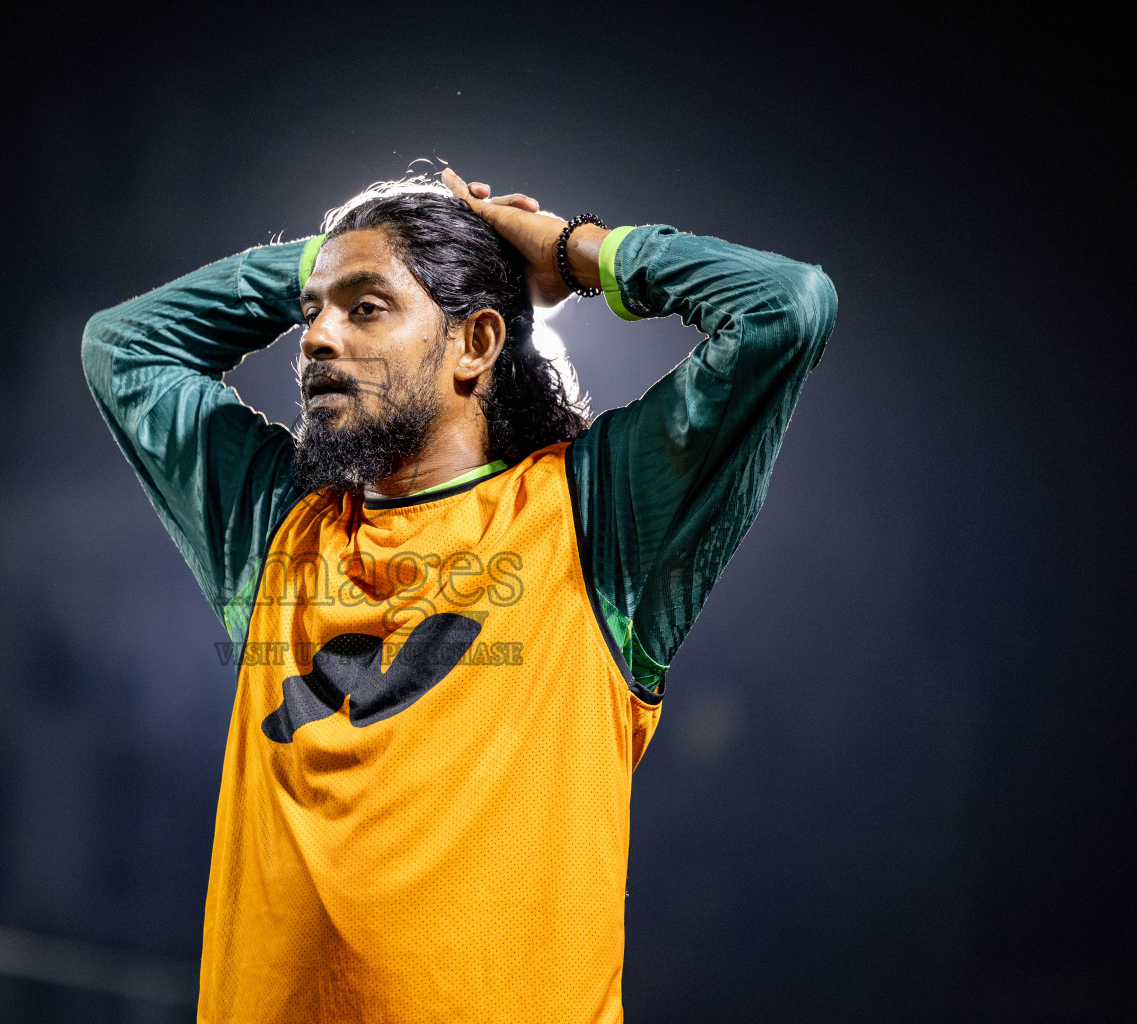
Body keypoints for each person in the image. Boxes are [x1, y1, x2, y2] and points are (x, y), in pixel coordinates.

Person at [82, 167, 836, 1022]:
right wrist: (333, 262)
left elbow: (787, 305)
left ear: (475, 344)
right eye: (312, 315)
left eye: (367, 308)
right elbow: (123, 346)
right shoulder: (273, 533)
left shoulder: (594, 521)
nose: (318, 339)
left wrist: (568, 252)